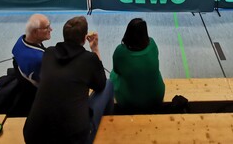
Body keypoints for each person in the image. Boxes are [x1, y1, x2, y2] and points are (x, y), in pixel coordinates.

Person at [24, 16, 114, 144]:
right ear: (84, 38)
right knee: (109, 84)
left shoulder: (49, 53)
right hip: (74, 139)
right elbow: (100, 84)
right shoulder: (89, 59)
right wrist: (95, 49)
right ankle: (108, 124)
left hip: (33, 136)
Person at [110, 18, 165, 113]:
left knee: (112, 75)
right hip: (157, 98)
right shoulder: (152, 44)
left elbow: (116, 71)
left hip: (129, 103)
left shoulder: (120, 51)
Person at [14, 14, 52, 86]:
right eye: (47, 27)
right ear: (35, 32)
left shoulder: (21, 40)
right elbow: (48, 83)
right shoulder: (39, 59)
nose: (51, 29)